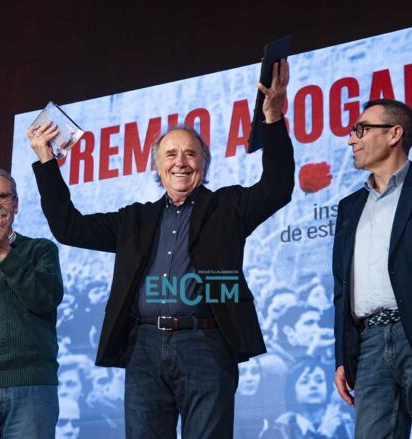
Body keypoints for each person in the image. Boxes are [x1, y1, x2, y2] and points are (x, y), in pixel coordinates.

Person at [28, 60, 294, 438]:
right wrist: (46, 162)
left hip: (207, 346)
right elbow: (68, 227)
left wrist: (273, 119)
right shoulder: (134, 220)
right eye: (170, 155)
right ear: (156, 165)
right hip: (144, 349)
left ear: (204, 162)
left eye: (190, 154)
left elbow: (277, 187)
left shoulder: (228, 208)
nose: (180, 162)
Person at [333, 99, 412, 438]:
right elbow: (341, 287)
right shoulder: (349, 207)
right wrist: (342, 354)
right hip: (368, 344)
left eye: (361, 129)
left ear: (395, 134)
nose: (352, 139)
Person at [0, 168, 64, 438]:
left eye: (3, 196)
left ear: (16, 205)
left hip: (32, 385)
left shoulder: (41, 250)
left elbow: (45, 299)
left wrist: (3, 252)